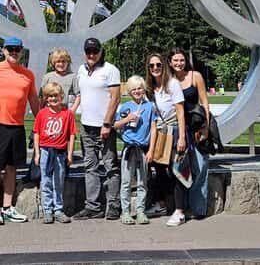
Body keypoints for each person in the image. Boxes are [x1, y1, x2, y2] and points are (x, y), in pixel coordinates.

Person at [0, 37, 39, 225]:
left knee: (12, 168)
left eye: (17, 49)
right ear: (3, 50)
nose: (14, 52)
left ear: (22, 51)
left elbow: (34, 100)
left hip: (17, 126)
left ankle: (7, 207)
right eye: (10, 49)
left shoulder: (28, 75)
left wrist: (42, 120)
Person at [73, 37, 122, 220]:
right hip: (86, 126)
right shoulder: (81, 70)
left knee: (110, 167)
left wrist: (107, 124)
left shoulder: (110, 70)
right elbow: (81, 95)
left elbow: (115, 99)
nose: (91, 55)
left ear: (101, 51)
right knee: (90, 167)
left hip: (104, 127)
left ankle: (113, 205)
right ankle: (92, 206)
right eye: (88, 51)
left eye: (95, 51)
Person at [144, 52, 188, 226]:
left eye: (158, 65)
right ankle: (163, 204)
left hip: (174, 130)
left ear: (164, 66)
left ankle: (180, 211)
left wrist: (182, 137)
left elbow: (180, 112)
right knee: (160, 170)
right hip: (159, 132)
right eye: (152, 65)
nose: (155, 68)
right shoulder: (150, 88)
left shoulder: (172, 84)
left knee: (176, 170)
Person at [169, 48, 210, 218]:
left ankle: (198, 208)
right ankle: (180, 207)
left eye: (182, 60)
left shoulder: (195, 76)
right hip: (178, 130)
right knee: (179, 169)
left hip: (196, 128)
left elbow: (205, 102)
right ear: (170, 62)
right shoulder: (168, 80)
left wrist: (206, 127)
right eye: (175, 60)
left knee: (200, 168)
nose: (179, 63)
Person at [113, 75, 156, 225]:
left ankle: (140, 211)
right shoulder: (125, 107)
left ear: (144, 89)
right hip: (129, 148)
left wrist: (151, 150)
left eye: (139, 88)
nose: (137, 91)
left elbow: (153, 128)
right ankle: (125, 211)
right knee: (126, 181)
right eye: (134, 89)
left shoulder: (150, 106)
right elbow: (116, 125)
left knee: (142, 182)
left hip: (143, 149)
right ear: (130, 91)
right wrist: (127, 119)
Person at [33, 82, 76, 224]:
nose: (53, 99)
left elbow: (71, 134)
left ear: (61, 96)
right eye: (50, 96)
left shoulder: (67, 114)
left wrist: (70, 154)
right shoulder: (42, 113)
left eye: (56, 95)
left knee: (58, 180)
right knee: (45, 181)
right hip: (46, 151)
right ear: (46, 98)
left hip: (60, 152)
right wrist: (37, 153)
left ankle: (58, 209)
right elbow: (37, 133)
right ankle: (47, 210)